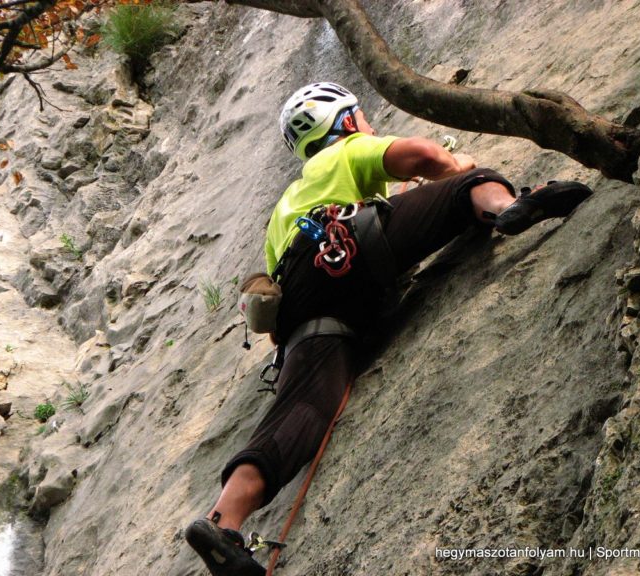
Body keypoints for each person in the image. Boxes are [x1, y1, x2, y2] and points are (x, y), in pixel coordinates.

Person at [185, 82, 592, 575]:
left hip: (307, 314)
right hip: (351, 244)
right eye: (362, 119)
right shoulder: (339, 154)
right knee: (471, 182)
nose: (367, 126)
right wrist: (456, 167)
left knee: (302, 413)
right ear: (348, 123)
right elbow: (420, 156)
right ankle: (506, 205)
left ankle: (222, 524)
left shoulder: (279, 216)